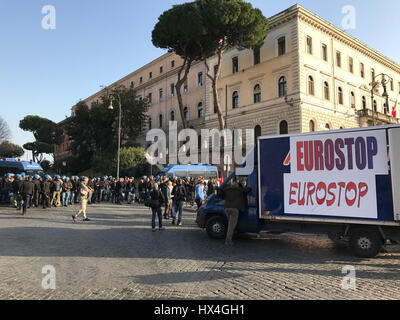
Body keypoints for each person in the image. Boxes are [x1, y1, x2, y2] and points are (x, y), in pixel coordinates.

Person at [221, 178, 250, 246]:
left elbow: (221, 190)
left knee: (230, 224)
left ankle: (229, 238)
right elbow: (248, 189)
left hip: (227, 208)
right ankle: (228, 241)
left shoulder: (227, 190)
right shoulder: (239, 190)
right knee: (231, 226)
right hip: (234, 209)